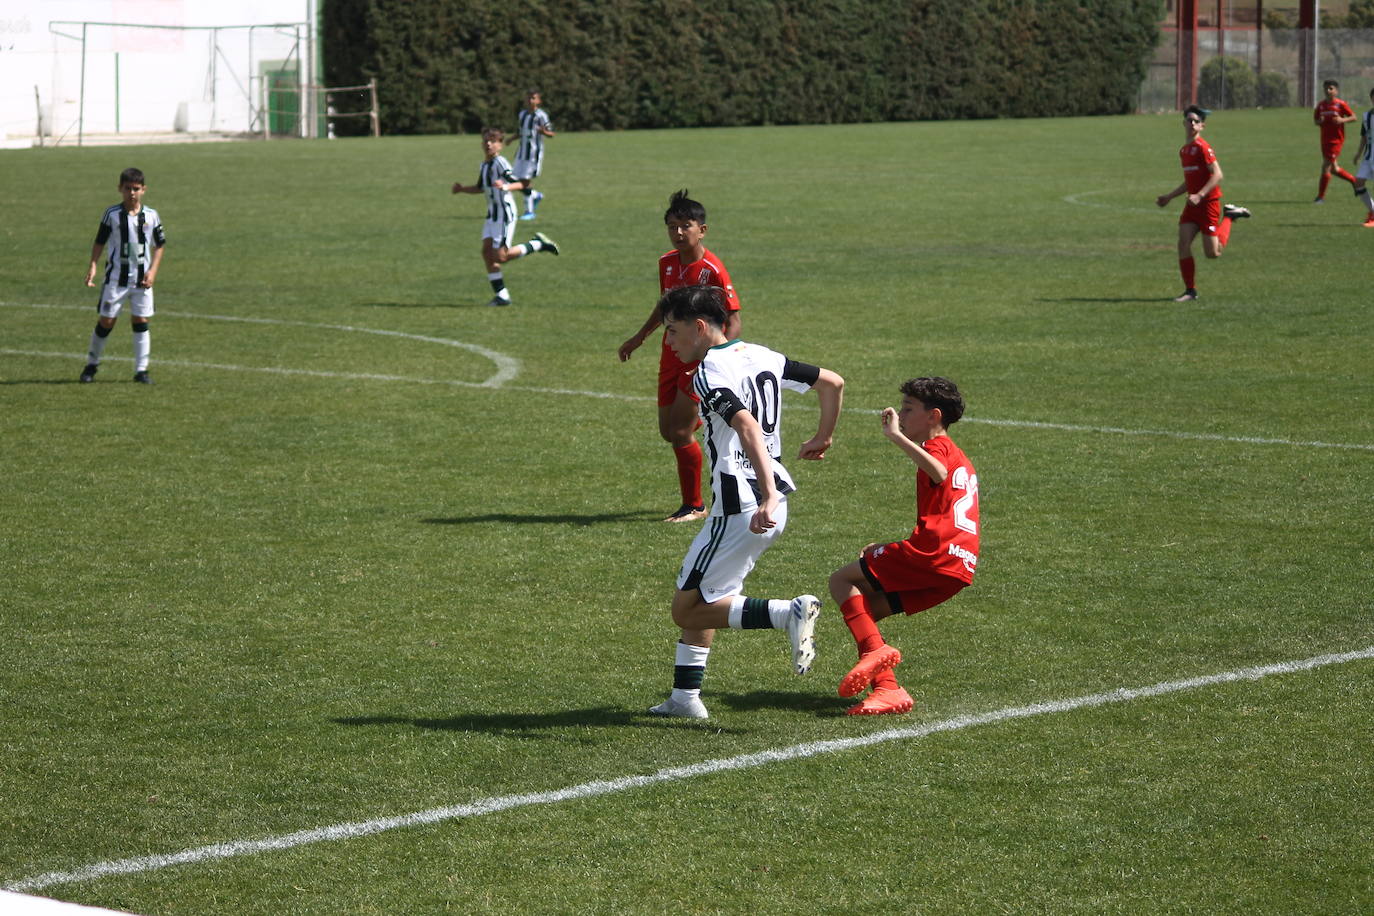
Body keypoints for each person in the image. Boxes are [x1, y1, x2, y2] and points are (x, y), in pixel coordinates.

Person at [648, 284, 844, 719]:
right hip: (768, 503)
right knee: (713, 597)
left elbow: (747, 426)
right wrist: (823, 436)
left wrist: (768, 496)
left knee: (687, 606)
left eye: (673, 331)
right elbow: (832, 382)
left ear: (700, 328)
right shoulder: (764, 355)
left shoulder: (708, 371)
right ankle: (684, 699)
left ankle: (784, 615)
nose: (670, 341)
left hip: (745, 507)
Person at [827, 377, 979, 716]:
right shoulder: (959, 456)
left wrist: (895, 436)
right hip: (959, 566)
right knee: (866, 610)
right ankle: (888, 690)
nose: (902, 415)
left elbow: (938, 472)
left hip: (934, 553)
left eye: (909, 409)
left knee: (841, 581)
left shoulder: (937, 448)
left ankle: (876, 662)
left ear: (933, 416)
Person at [618, 190, 741, 522]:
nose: (679, 232)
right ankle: (706, 417)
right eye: (673, 226)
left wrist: (715, 359)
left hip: (698, 362)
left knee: (681, 432)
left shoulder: (713, 269)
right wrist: (639, 336)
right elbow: (664, 307)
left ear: (702, 229)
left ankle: (695, 505)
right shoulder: (667, 263)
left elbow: (734, 319)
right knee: (669, 432)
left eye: (686, 225)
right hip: (671, 356)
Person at [451, 127, 559, 307]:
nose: (488, 144)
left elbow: (521, 184)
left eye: (493, 141)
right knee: (486, 253)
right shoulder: (485, 165)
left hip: (504, 214)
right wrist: (462, 189)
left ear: (500, 145)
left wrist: (506, 187)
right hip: (491, 215)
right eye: (485, 140)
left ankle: (537, 244)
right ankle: (502, 295)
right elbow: (480, 188)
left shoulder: (500, 163)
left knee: (501, 257)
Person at [1155, 105, 1251, 303]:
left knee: (1213, 253)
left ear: (1202, 126)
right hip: (1192, 206)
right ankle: (1190, 290)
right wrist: (1169, 196)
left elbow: (1218, 174)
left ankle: (1230, 217)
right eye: (1188, 120)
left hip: (1208, 204)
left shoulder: (1202, 147)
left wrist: (1199, 195)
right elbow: (1189, 181)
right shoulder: (1184, 151)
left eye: (1195, 121)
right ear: (1183, 123)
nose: (1191, 123)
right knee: (1183, 244)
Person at [79, 167, 166, 385]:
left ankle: (141, 370)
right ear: (120, 189)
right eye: (128, 189)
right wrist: (92, 266)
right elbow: (99, 241)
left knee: (140, 319)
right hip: (116, 279)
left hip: (142, 281)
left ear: (144, 190)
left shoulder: (152, 216)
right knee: (107, 321)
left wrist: (153, 270)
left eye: (136, 189)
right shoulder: (112, 215)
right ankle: (91, 364)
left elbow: (160, 245)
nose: (132, 193)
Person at [1313, 79, 1358, 204]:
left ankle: (1320, 197)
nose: (1328, 91)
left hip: (1336, 140)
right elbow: (1315, 120)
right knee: (1334, 169)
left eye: (1331, 88)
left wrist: (1342, 120)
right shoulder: (1321, 105)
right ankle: (1354, 181)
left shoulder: (1340, 104)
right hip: (1324, 140)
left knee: (1326, 167)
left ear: (1336, 91)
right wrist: (1320, 121)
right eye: (1326, 88)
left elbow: (1354, 117)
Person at [513, 90, 555, 221]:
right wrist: (510, 139)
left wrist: (544, 132)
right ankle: (535, 195)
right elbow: (521, 131)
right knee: (514, 179)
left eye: (533, 98)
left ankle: (529, 211)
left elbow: (552, 133)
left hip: (533, 154)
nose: (530, 101)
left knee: (525, 182)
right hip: (521, 152)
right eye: (528, 98)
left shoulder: (541, 115)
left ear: (538, 101)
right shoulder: (522, 114)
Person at [1350, 87, 1374, 228]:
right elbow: (1364, 137)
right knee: (1358, 182)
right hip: (1368, 156)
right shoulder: (1367, 116)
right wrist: (1358, 154)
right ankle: (1372, 211)